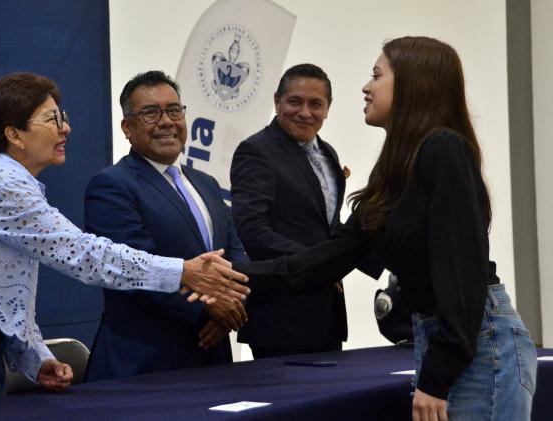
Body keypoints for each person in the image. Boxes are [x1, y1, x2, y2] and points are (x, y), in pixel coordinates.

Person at [0, 72, 250, 413]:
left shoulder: (16, 186)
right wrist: (182, 271)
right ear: (14, 134)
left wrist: (35, 356)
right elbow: (84, 255)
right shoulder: (1, 183)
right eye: (52, 119)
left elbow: (6, 292)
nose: (66, 128)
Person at [234, 37, 538, 421]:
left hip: (473, 343)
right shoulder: (395, 165)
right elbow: (322, 261)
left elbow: (462, 279)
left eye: (377, 75)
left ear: (413, 84)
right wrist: (225, 274)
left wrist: (437, 377)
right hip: (440, 338)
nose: (365, 86)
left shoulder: (443, 149)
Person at [83, 71, 249, 380]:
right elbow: (132, 268)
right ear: (127, 128)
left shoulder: (207, 183)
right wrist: (209, 310)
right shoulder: (111, 185)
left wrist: (231, 303)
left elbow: (236, 252)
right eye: (150, 113)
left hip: (213, 356)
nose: (166, 121)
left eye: (174, 110)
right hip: (144, 363)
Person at [230, 63, 349, 358]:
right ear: (277, 101)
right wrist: (319, 263)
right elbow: (251, 229)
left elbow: (328, 226)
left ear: (328, 108)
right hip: (279, 317)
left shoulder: (328, 153)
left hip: (326, 314)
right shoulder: (256, 151)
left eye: (315, 104)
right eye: (295, 101)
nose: (305, 112)